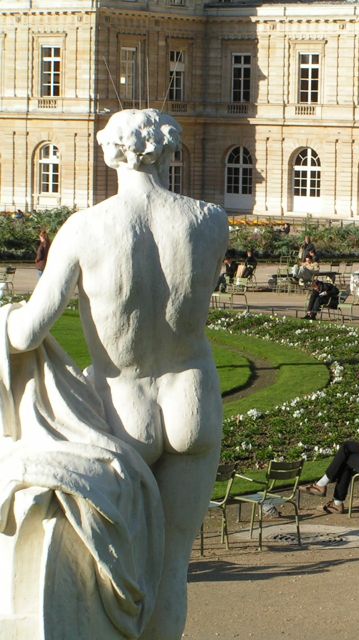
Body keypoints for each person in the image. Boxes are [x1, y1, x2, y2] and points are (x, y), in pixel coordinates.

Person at [3, 108, 229, 638]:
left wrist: (4, 320)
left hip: (123, 405)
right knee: (174, 565)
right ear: (171, 151)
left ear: (110, 153)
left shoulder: (85, 229)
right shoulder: (209, 221)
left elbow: (26, 334)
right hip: (192, 395)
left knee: (122, 558)